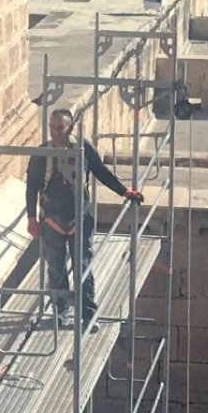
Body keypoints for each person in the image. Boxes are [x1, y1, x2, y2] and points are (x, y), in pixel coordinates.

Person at [26, 109, 144, 329]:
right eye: (52, 127)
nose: (55, 132)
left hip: (80, 219)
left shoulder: (84, 148)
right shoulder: (41, 154)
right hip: (53, 220)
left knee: (83, 267)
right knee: (56, 267)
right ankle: (61, 311)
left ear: (69, 128)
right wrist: (31, 218)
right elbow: (32, 186)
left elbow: (101, 171)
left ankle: (88, 314)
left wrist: (124, 191)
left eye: (60, 128)